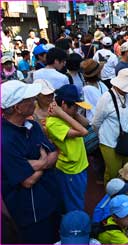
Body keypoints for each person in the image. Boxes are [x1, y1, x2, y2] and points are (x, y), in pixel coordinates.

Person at [1, 80, 61, 243]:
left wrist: (34, 164)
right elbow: (27, 181)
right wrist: (43, 163)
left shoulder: (33, 126)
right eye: (29, 99)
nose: (34, 100)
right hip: (31, 213)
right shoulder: (4, 140)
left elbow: (55, 154)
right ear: (17, 107)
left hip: (51, 201)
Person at [46, 84, 91, 212]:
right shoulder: (53, 123)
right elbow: (83, 132)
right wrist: (62, 114)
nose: (77, 109)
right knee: (74, 204)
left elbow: (87, 124)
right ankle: (76, 228)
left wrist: (69, 113)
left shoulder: (70, 115)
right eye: (75, 106)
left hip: (80, 165)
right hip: (70, 170)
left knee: (79, 198)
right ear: (65, 104)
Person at [93, 68, 128, 185]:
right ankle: (110, 195)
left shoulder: (126, 96)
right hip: (108, 141)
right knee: (113, 172)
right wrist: (102, 136)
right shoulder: (106, 98)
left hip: (125, 138)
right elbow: (96, 122)